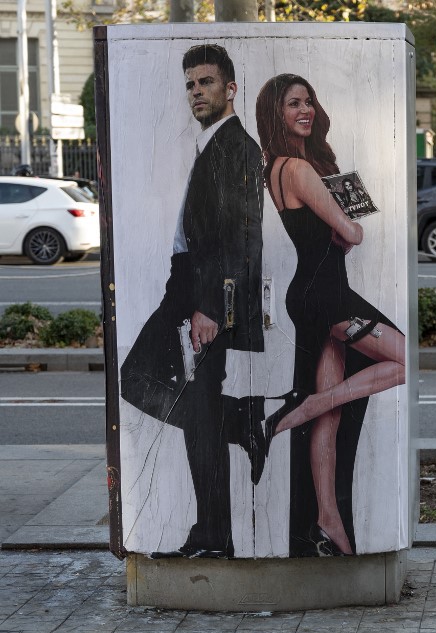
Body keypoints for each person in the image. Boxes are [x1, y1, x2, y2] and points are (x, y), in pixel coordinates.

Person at [120, 44, 265, 559]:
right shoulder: (212, 145)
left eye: (205, 82)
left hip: (206, 295)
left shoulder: (238, 148)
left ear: (230, 89)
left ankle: (212, 534)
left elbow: (241, 238)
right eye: (190, 84)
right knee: (148, 384)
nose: (196, 92)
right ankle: (242, 422)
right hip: (187, 287)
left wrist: (210, 307)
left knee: (167, 392)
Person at [255, 73, 406, 557]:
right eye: (293, 104)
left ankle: (328, 521)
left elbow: (323, 232)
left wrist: (337, 225)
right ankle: (299, 409)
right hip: (326, 297)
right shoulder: (297, 169)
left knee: (334, 419)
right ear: (275, 114)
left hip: (313, 292)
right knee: (404, 359)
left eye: (309, 102)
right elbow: (351, 233)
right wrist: (350, 225)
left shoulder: (275, 169)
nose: (306, 110)